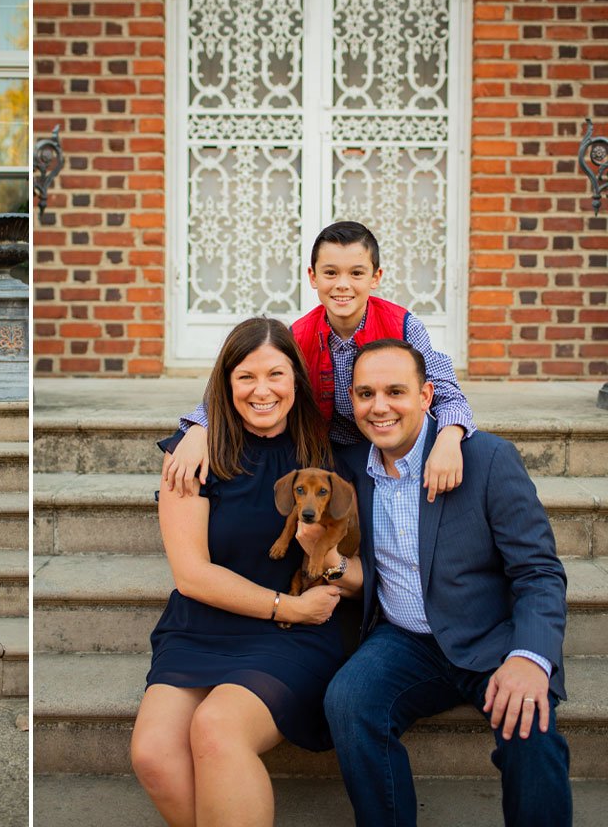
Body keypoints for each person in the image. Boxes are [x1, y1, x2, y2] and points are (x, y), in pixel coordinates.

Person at [321, 339, 570, 827]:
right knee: (347, 701)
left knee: (532, 728)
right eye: (366, 393)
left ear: (427, 394)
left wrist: (530, 656)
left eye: (396, 391)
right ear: (351, 402)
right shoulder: (349, 470)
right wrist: (196, 430)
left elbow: (538, 572)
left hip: (491, 634)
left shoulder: (487, 459)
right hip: (404, 640)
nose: (380, 407)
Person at [130, 317, 361, 827]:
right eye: (246, 378)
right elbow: (191, 574)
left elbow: (365, 568)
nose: (262, 391)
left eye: (276, 375)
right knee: (152, 754)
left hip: (291, 635)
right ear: (225, 384)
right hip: (203, 625)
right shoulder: (191, 456)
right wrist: (196, 431)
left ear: (296, 381)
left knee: (217, 729)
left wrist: (323, 577)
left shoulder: (325, 457)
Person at [166, 221, 476, 504]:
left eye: (356, 273)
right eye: (330, 273)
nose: (343, 285)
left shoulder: (405, 326)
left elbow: (447, 392)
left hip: (391, 441)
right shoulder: (298, 335)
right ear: (313, 277)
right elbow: (238, 383)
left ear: (375, 278)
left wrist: (449, 438)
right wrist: (197, 431)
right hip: (324, 449)